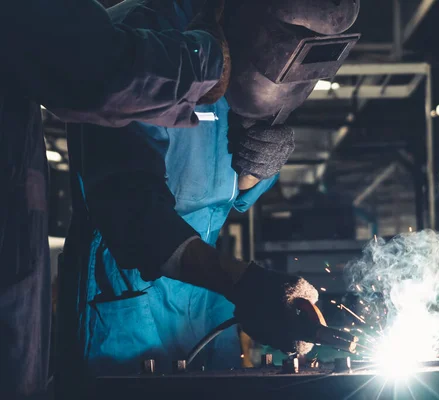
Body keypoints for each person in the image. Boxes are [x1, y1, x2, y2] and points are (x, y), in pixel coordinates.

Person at [61, 0, 361, 383]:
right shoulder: (144, 40)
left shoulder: (246, 38)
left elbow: (230, 196)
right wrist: (246, 283)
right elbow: (133, 212)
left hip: (207, 302)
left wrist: (258, 166)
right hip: (128, 301)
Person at [0, 0, 234, 397]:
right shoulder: (145, 26)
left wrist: (264, 158)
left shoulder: (222, 36)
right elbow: (91, 67)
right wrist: (206, 56)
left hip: (203, 298)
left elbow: (231, 187)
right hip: (126, 299)